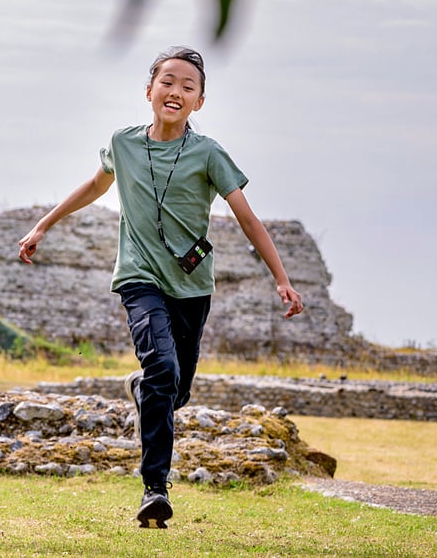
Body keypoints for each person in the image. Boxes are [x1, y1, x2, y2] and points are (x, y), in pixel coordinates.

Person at [16, 46, 304, 529]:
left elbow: (246, 217)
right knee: (162, 367)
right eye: (167, 81)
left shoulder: (208, 153)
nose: (176, 91)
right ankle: (155, 488)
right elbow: (94, 185)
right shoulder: (123, 143)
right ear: (148, 91)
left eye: (188, 86)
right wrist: (43, 225)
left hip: (192, 288)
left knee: (174, 388)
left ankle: (142, 387)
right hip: (139, 279)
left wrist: (282, 279)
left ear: (200, 102)